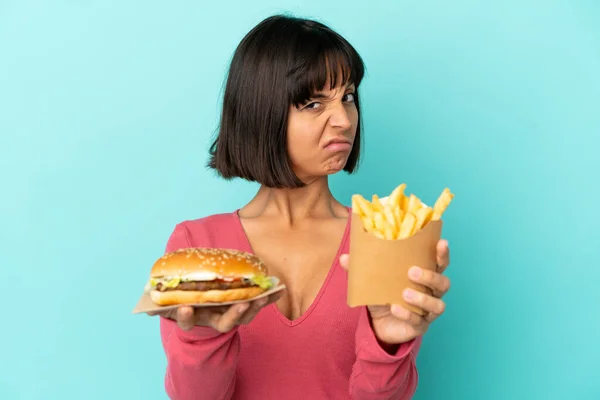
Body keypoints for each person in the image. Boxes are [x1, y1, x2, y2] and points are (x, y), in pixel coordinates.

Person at [151, 14, 451, 400]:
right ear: (263, 114)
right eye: (313, 103)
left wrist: (387, 347)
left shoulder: (385, 235)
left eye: (348, 97)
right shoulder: (198, 244)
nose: (343, 120)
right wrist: (203, 336)